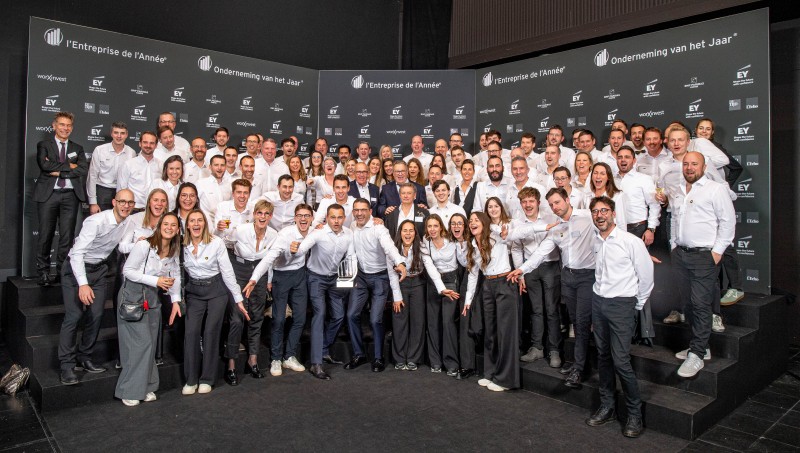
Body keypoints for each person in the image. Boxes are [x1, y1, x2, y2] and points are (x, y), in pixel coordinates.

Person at [506, 188, 597, 390]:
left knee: (581, 322)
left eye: (558, 202)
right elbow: (539, 253)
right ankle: (577, 363)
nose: (555, 207)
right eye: (552, 204)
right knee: (576, 322)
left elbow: (608, 232)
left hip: (587, 276)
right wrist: (521, 270)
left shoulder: (587, 216)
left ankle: (578, 366)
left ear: (567, 199)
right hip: (568, 276)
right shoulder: (556, 228)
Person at [585, 196, 653, 438]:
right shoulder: (596, 241)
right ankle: (608, 406)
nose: (600, 215)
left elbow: (646, 276)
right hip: (599, 302)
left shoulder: (630, 241)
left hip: (622, 305)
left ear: (613, 214)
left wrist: (637, 304)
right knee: (603, 356)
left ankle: (635, 414)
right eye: (595, 211)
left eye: (604, 210)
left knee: (621, 360)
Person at [57, 189, 136, 385]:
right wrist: (83, 284)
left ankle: (84, 357)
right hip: (76, 268)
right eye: (122, 201)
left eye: (130, 203)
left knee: (97, 314)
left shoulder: (128, 222)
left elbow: (122, 247)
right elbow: (77, 254)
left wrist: (141, 243)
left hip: (99, 269)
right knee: (74, 316)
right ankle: (66, 366)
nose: (126, 206)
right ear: (114, 202)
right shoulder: (96, 221)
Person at [672, 152, 735, 378]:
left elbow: (728, 222)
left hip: (704, 257)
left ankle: (697, 354)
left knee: (700, 304)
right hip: (681, 255)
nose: (689, 168)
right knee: (688, 304)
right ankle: (701, 347)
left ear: (704, 166)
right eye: (686, 164)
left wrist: (716, 252)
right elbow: (675, 220)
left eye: (694, 164)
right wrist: (673, 245)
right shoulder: (679, 190)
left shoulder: (715, 189)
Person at [115, 213, 181, 406]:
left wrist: (175, 300)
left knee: (150, 343)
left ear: (178, 229)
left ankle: (146, 386)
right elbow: (127, 271)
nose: (169, 227)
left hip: (152, 295)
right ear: (159, 226)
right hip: (133, 294)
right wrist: (156, 280)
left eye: (173, 225)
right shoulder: (144, 245)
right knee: (140, 343)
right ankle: (129, 390)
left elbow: (175, 274)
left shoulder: (173, 250)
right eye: (166, 224)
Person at [181, 209, 248, 395]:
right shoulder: (181, 244)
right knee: (191, 332)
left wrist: (238, 299)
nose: (196, 224)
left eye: (199, 220)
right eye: (192, 221)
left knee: (211, 331)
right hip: (194, 291)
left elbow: (227, 272)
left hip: (216, 290)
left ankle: (207, 379)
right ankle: (191, 379)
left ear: (205, 224)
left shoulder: (216, 242)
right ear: (187, 225)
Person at [243, 204, 314, 377]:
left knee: (300, 318)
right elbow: (269, 259)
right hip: (281, 276)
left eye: (307, 215)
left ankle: (289, 356)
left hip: (300, 275)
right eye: (300, 215)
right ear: (294, 218)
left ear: (312, 218)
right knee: (279, 319)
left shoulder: (314, 232)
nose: (303, 219)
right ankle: (276, 358)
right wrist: (255, 278)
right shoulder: (285, 235)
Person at [290, 204, 356, 380]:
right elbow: (302, 249)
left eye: (339, 217)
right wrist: (295, 248)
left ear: (344, 218)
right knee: (319, 314)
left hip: (334, 279)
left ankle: (324, 349)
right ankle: (316, 363)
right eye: (333, 217)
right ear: (327, 218)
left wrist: (346, 281)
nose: (336, 221)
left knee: (339, 316)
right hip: (316, 278)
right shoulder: (318, 233)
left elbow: (350, 258)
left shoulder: (349, 234)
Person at [343, 199, 406, 372]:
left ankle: (378, 357)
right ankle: (359, 354)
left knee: (375, 319)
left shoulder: (379, 228)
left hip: (380, 277)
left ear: (370, 211)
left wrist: (400, 262)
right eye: (356, 210)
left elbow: (389, 247)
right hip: (361, 277)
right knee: (351, 315)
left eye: (363, 210)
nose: (359, 213)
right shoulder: (352, 227)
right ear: (353, 212)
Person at [463, 212, 521, 392]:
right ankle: (491, 373)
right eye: (470, 221)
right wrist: (468, 300)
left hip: (504, 282)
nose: (472, 223)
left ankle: (506, 380)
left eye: (476, 220)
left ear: (484, 223)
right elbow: (473, 274)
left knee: (505, 333)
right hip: (487, 285)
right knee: (491, 331)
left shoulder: (498, 236)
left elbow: (515, 232)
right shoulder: (473, 245)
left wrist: (493, 227)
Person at [226, 199, 278, 381]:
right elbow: (225, 245)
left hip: (260, 275)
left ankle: (253, 360)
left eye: (266, 214)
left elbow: (269, 261)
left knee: (256, 317)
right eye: (259, 213)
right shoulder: (240, 230)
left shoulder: (273, 234)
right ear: (254, 215)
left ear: (271, 217)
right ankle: (231, 363)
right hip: (239, 271)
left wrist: (268, 280)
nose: (263, 217)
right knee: (236, 319)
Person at [34, 112, 89, 286]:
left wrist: (59, 171)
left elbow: (82, 169)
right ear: (54, 126)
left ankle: (62, 272)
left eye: (68, 125)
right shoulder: (44, 145)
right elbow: (44, 165)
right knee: (45, 235)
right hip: (48, 194)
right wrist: (69, 166)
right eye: (62, 124)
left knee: (67, 237)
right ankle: (43, 272)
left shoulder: (77, 148)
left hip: (70, 196)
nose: (65, 128)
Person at [510, 187, 561, 367]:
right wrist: (521, 273)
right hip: (529, 269)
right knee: (536, 310)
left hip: (550, 267)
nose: (528, 205)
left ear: (538, 202)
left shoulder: (551, 219)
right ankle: (537, 347)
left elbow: (551, 245)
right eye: (524, 202)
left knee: (552, 310)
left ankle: (554, 350)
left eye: (531, 201)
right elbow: (516, 248)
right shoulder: (517, 223)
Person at [421, 215, 461, 375]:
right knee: (433, 323)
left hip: (451, 280)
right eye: (429, 226)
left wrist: (446, 288)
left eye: (435, 226)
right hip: (434, 281)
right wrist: (440, 288)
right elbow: (430, 267)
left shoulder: (452, 240)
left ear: (441, 227)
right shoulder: (425, 243)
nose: (432, 229)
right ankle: (435, 362)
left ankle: (451, 362)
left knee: (448, 322)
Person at [392, 219, 427, 371]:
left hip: (418, 283)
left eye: (411, 230)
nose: (408, 233)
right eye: (405, 230)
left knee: (417, 322)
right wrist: (396, 297)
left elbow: (430, 267)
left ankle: (414, 358)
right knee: (399, 321)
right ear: (400, 233)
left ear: (415, 233)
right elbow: (391, 274)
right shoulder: (393, 249)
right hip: (400, 284)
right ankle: (399, 358)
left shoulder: (422, 247)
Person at [449, 213, 478, 379]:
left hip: (479, 280)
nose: (456, 226)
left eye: (460, 223)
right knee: (464, 320)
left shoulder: (473, 241)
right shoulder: (451, 243)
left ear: (465, 226)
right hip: (464, 280)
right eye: (453, 223)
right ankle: (467, 365)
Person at [87, 121, 136, 214]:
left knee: (120, 222)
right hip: (102, 191)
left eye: (122, 133)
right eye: (116, 132)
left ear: (126, 135)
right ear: (111, 134)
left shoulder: (131, 153)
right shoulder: (99, 150)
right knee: (101, 221)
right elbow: (92, 176)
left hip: (122, 192)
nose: (119, 136)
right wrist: (93, 203)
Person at [117, 131, 162, 210]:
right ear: (140, 143)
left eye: (151, 143)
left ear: (156, 145)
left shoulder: (161, 165)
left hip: (155, 210)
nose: (148, 146)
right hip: (133, 210)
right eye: (145, 142)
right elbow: (121, 191)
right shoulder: (128, 164)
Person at [590, 163, 627, 230]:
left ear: (608, 177)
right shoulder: (587, 197)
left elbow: (621, 223)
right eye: (595, 173)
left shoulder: (617, 196)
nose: (598, 176)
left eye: (602, 173)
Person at [196, 155, 232, 225]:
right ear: (210, 167)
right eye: (216, 165)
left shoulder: (229, 185)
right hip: (206, 226)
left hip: (225, 226)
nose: (219, 168)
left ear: (225, 167)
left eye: (222, 165)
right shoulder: (201, 184)